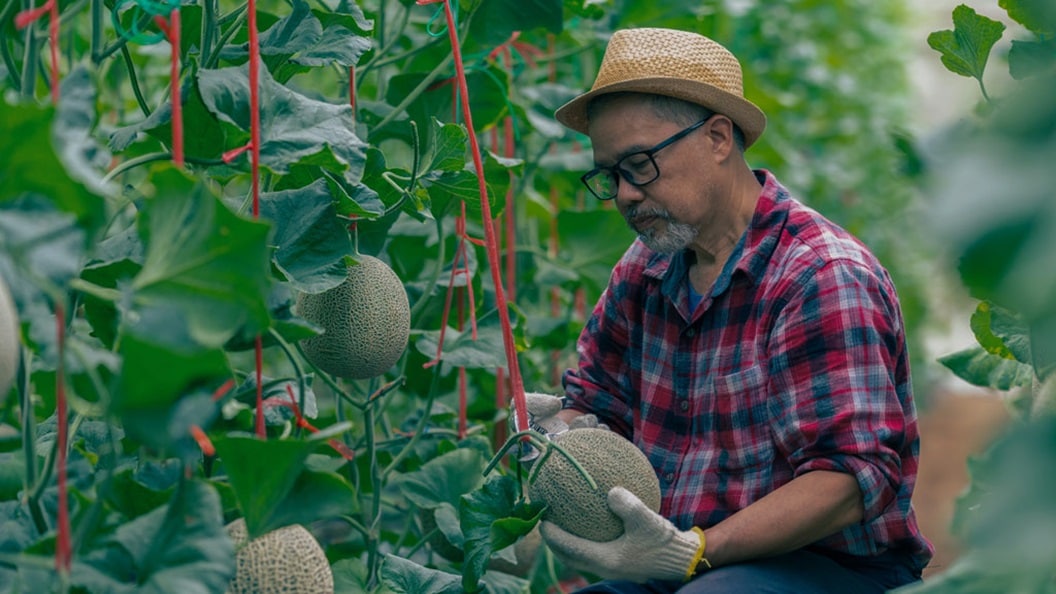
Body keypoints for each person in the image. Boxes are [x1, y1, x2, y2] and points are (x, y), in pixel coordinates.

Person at [524, 27, 933, 593]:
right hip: (685, 559)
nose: (624, 194)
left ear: (718, 138)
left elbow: (847, 480)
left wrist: (694, 552)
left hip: (835, 568)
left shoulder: (820, 274)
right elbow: (599, 403)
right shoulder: (645, 268)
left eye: (639, 164)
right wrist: (558, 434)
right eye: (610, 175)